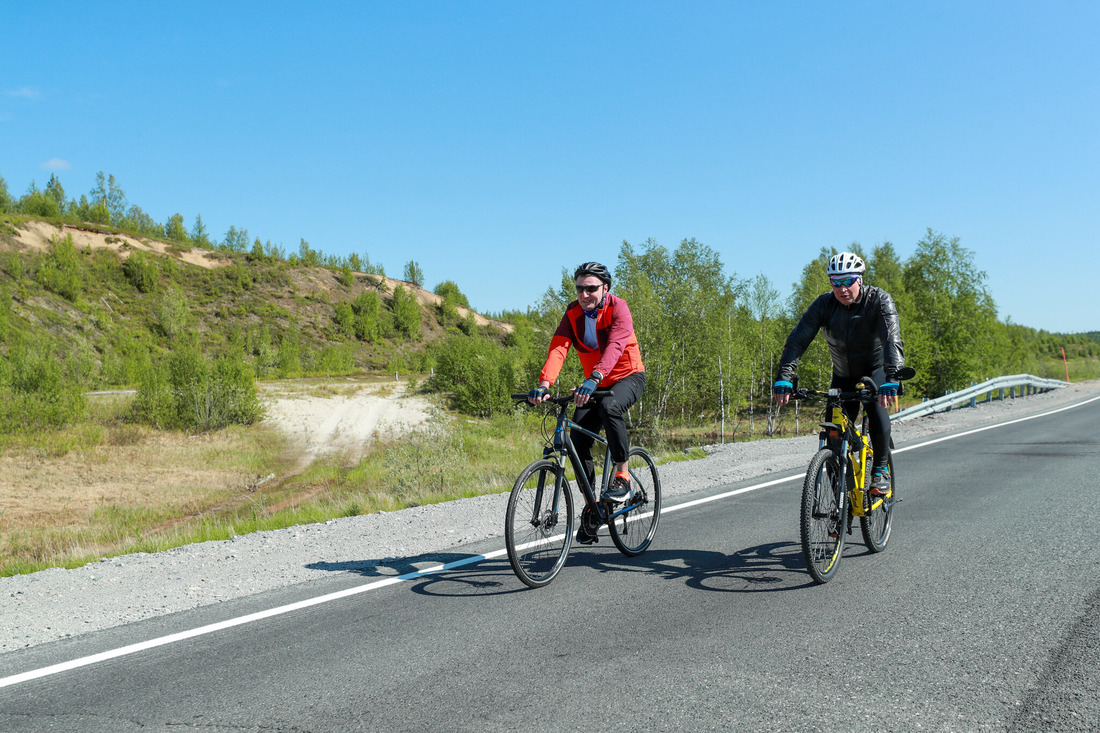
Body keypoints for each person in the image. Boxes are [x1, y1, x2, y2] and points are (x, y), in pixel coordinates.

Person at [528, 261, 646, 543]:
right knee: (577, 435)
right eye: (580, 288)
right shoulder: (572, 314)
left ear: (605, 288)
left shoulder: (619, 308)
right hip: (594, 382)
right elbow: (558, 348)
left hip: (627, 376)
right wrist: (545, 384)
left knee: (610, 407)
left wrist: (594, 377)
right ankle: (592, 506)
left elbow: (617, 345)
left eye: (590, 288)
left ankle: (623, 476)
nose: (584, 294)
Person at [773, 252, 905, 496]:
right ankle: (840, 502)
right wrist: (785, 376)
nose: (842, 288)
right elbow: (797, 341)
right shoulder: (823, 305)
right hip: (843, 376)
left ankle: (880, 470)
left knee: (876, 408)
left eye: (848, 281)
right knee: (834, 436)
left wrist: (893, 376)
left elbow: (892, 340)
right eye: (836, 282)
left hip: (875, 372)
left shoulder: (879, 300)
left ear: (860, 280)